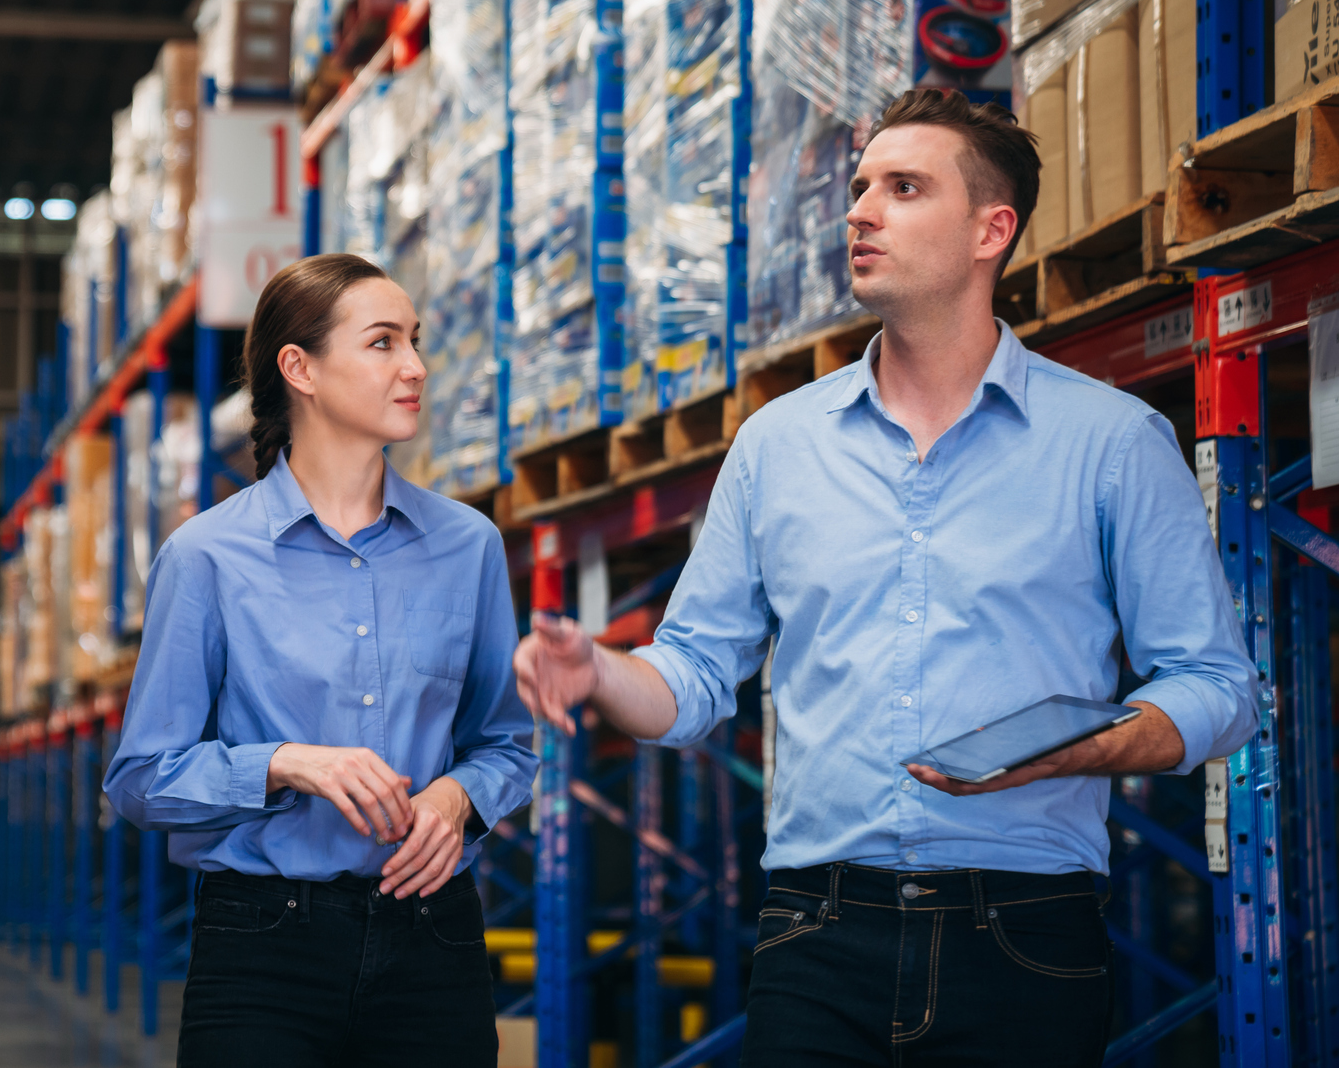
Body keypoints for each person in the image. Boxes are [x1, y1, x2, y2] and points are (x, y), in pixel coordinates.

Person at [513, 88, 1258, 1066]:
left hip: (1023, 938)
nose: (858, 211)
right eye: (859, 187)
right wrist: (596, 671)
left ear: (991, 230)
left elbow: (1214, 688)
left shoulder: (1110, 444)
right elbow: (693, 679)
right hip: (815, 935)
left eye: (902, 189)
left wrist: (1075, 750)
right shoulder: (775, 445)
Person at [103, 252, 538, 1068]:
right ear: (298, 367)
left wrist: (455, 798)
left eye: (414, 341)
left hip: (432, 934)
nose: (414, 367)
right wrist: (287, 764)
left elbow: (506, 744)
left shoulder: (467, 546)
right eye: (382, 343)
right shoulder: (206, 557)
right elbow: (140, 778)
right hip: (263, 945)